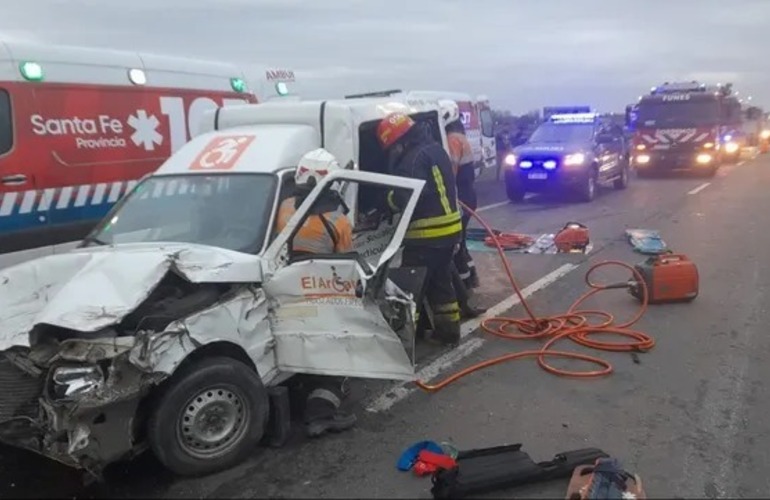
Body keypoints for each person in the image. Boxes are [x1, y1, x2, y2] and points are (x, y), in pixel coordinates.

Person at [274, 148, 357, 438]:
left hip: (284, 292)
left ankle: (300, 394)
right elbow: (348, 266)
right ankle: (321, 414)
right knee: (337, 353)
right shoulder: (338, 221)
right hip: (321, 297)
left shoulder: (283, 207)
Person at [376, 112, 463, 346]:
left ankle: (405, 340)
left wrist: (386, 202)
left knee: (408, 289)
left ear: (401, 140)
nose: (393, 152)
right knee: (441, 283)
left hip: (427, 235)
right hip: (450, 231)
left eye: (393, 147)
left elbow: (409, 195)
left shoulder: (411, 159)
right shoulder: (436, 150)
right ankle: (449, 332)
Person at [440, 99, 481, 291]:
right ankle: (471, 277)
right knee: (461, 240)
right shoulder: (459, 135)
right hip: (468, 194)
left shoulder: (452, 139)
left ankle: (464, 285)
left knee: (456, 243)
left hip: (461, 197)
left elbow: (450, 171)